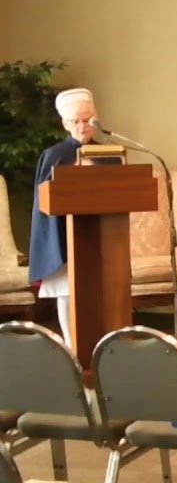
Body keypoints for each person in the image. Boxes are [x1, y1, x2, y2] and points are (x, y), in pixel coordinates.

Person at [29, 88, 99, 341]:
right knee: (67, 291)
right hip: (63, 234)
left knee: (99, 290)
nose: (82, 127)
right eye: (76, 121)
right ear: (65, 124)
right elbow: (44, 199)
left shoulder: (109, 153)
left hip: (101, 235)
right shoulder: (54, 155)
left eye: (87, 120)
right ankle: (72, 346)